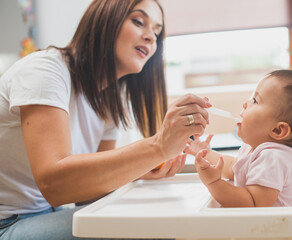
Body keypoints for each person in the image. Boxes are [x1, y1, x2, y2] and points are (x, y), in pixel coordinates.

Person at [0, 0, 211, 239]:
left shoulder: (110, 104)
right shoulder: (45, 70)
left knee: (161, 216)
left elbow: (86, 196)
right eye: (139, 22)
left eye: (156, 32)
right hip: (9, 223)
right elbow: (54, 185)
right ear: (105, 20)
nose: (151, 38)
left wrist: (138, 170)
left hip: (50, 214)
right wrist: (157, 146)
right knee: (148, 228)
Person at [185, 69, 292, 208]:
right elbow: (232, 168)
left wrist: (213, 182)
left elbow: (252, 204)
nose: (245, 103)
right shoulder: (258, 150)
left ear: (278, 130)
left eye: (255, 100)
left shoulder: (273, 158)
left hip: (289, 233)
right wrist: (206, 153)